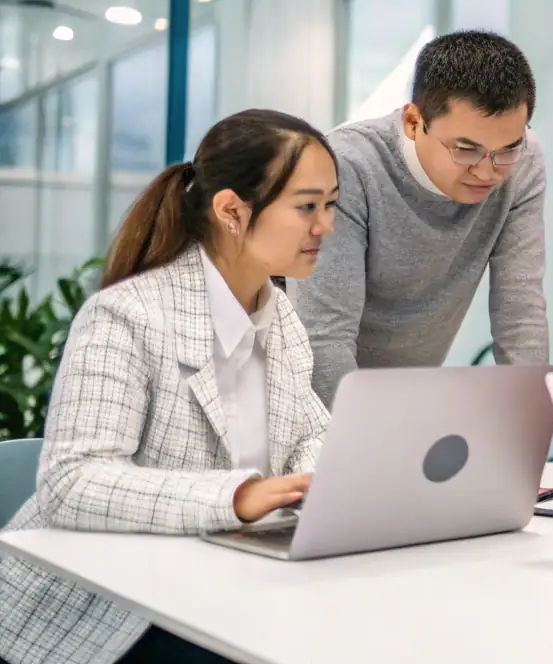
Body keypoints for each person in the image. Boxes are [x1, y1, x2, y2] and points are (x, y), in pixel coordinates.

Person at [0, 110, 339, 664]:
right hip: (106, 614)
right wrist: (237, 497)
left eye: (331, 205)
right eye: (307, 206)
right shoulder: (126, 316)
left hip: (222, 586)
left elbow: (311, 433)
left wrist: (320, 479)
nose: (325, 226)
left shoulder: (280, 319)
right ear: (232, 210)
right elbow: (72, 481)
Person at [292, 30, 549, 407]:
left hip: (409, 395)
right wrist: (358, 443)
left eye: (507, 150)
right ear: (414, 121)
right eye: (466, 150)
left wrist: (528, 436)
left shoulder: (523, 163)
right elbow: (325, 336)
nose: (488, 171)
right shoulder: (346, 166)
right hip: (308, 402)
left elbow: (520, 315)